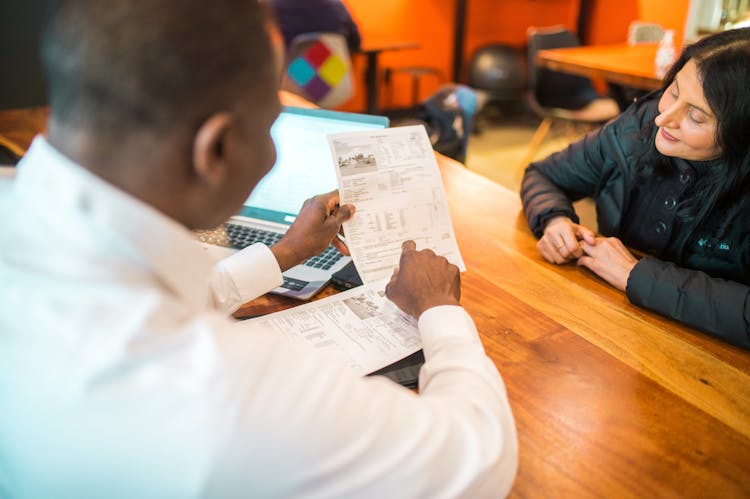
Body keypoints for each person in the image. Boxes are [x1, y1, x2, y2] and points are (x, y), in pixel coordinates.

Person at [0, 1, 518, 497]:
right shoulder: (225, 394)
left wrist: (284, 253)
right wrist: (441, 312)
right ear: (217, 149)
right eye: (272, 125)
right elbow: (478, 461)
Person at [520, 28, 750, 349]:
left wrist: (636, 275)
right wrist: (554, 220)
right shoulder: (636, 126)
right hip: (608, 334)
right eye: (673, 90)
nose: (664, 118)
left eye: (696, 117)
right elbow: (544, 175)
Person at [267, 0, 361, 52]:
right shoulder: (336, 5)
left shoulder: (270, 7)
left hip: (288, 81)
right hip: (333, 77)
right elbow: (356, 42)